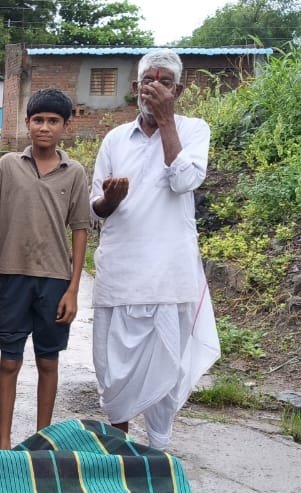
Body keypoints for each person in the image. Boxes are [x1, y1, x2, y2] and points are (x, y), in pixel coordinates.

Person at [88, 49, 221, 450]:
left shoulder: (194, 130)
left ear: (177, 90)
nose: (155, 88)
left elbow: (184, 182)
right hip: (120, 277)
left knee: (165, 372)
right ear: (135, 88)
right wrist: (111, 200)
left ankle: (158, 454)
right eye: (149, 80)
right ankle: (116, 459)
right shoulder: (114, 139)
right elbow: (95, 209)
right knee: (113, 377)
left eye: (165, 82)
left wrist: (165, 122)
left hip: (168, 278)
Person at [0, 88, 91, 450]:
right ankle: (5, 442)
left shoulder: (74, 174)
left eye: (53, 121)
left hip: (56, 283)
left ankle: (42, 441)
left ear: (65, 127)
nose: (44, 128)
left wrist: (73, 290)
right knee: (9, 361)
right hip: (13, 279)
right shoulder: (8, 165)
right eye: (38, 120)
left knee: (48, 362)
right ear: (27, 123)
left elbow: (81, 230)